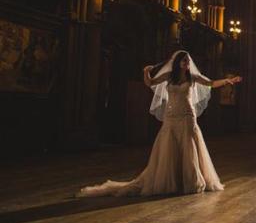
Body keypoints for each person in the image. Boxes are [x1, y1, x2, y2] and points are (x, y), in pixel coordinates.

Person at [77, 50, 241, 197]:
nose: (187, 64)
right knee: (168, 147)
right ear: (178, 63)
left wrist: (228, 81)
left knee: (189, 146)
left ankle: (190, 181)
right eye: (184, 61)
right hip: (171, 116)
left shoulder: (193, 77)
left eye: (188, 61)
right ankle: (171, 181)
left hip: (187, 116)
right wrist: (146, 73)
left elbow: (211, 83)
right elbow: (150, 83)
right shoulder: (169, 77)